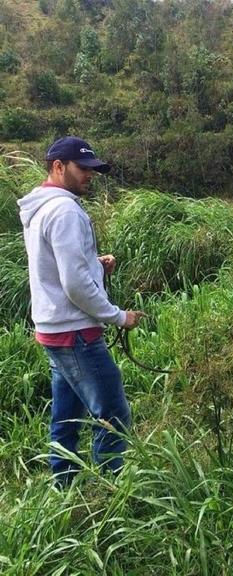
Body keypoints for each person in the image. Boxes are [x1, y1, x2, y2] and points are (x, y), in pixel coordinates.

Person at [17, 136, 145, 488]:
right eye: (83, 168)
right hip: (75, 333)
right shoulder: (65, 211)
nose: (90, 175)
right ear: (58, 167)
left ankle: (65, 488)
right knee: (113, 413)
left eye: (93, 169)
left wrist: (94, 264)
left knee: (67, 418)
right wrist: (119, 316)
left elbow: (55, 266)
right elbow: (73, 285)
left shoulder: (42, 208)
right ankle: (109, 494)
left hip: (54, 329)